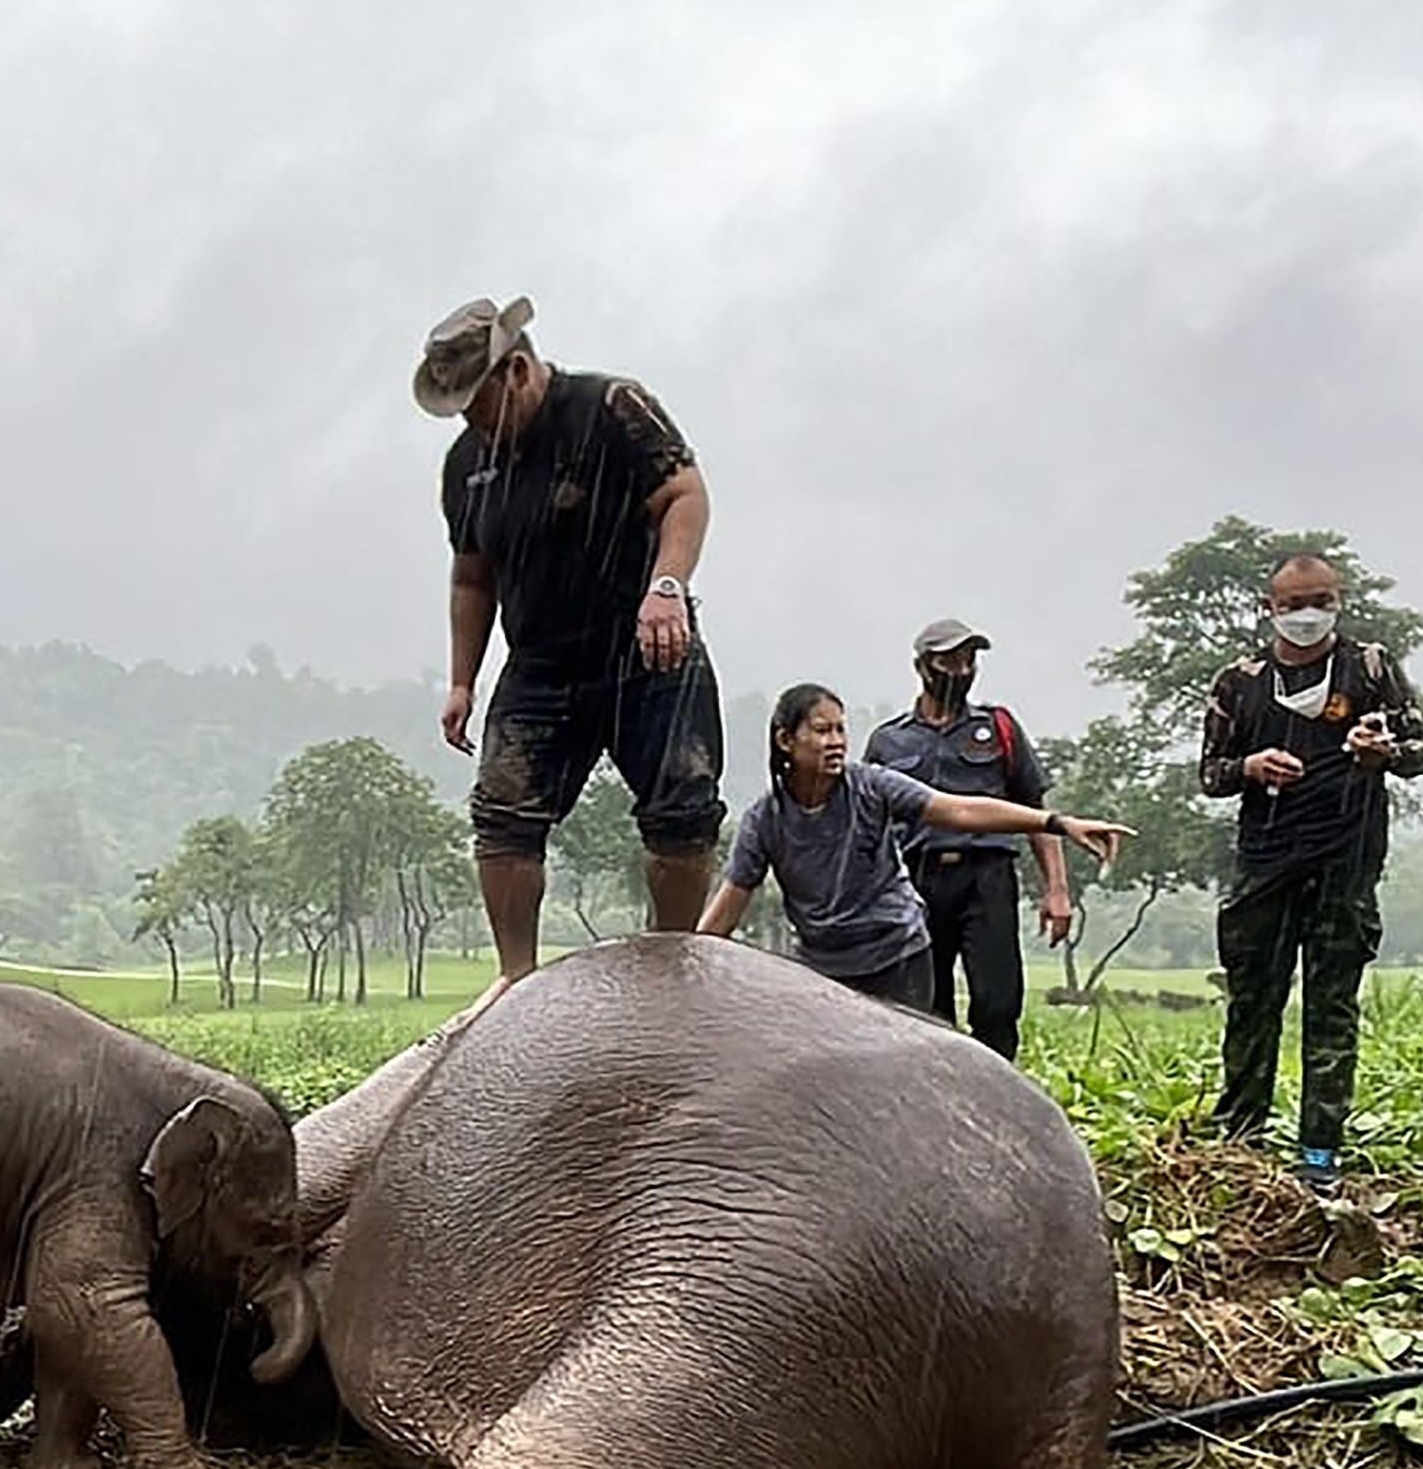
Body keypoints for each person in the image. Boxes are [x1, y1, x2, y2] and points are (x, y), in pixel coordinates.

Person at [415, 293, 723, 987]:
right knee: (502, 810)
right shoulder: (467, 466)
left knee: (682, 805)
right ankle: (514, 979)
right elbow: (471, 577)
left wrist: (666, 586)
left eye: (478, 404)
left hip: (645, 642)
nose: (473, 423)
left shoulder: (612, 406)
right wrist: (463, 679)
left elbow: (685, 494)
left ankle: (673, 962)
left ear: (517, 371)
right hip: (542, 659)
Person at [1197, 552, 1423, 1193]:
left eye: (1321, 601)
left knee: (1332, 1008)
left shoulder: (1370, 668)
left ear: (1339, 602)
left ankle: (1320, 1154)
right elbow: (1210, 773)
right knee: (1252, 1003)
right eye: (1294, 603)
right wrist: (1252, 766)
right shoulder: (1239, 683)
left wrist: (1382, 751)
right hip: (1265, 862)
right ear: (1270, 608)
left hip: (1347, 862)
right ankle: (1240, 1139)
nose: (1307, 615)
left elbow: (1421, 752)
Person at [700, 684, 1128, 1009]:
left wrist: (1057, 822)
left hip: (897, 956)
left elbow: (960, 811)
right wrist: (689, 962)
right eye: (821, 731)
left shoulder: (871, 786)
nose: (836, 742)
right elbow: (729, 906)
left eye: (840, 730)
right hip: (822, 971)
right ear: (785, 741)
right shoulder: (765, 819)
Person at [862, 617, 1073, 1059]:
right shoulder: (889, 741)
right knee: (923, 1009)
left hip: (987, 878)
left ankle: (999, 1102)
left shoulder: (999, 728)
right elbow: (867, 827)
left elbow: (1036, 812)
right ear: (922, 667)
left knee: (997, 1004)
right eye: (949, 660)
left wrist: (1057, 890)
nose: (961, 669)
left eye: (969, 659)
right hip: (916, 883)